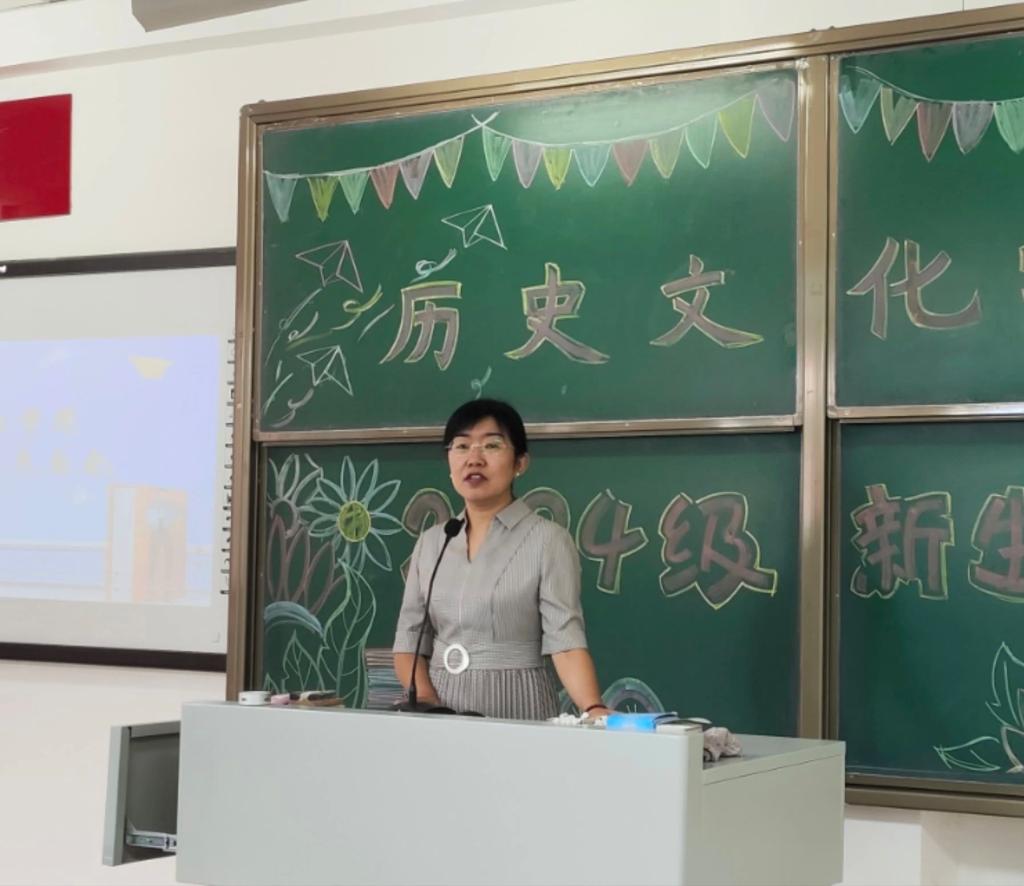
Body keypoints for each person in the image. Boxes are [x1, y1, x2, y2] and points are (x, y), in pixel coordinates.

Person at [392, 399, 612, 720]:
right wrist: (428, 702)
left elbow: (565, 642)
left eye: (492, 445)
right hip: (440, 707)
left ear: (520, 462)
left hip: (517, 700)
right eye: (461, 446)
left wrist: (592, 706)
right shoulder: (432, 542)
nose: (474, 459)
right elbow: (409, 640)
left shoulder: (547, 539)